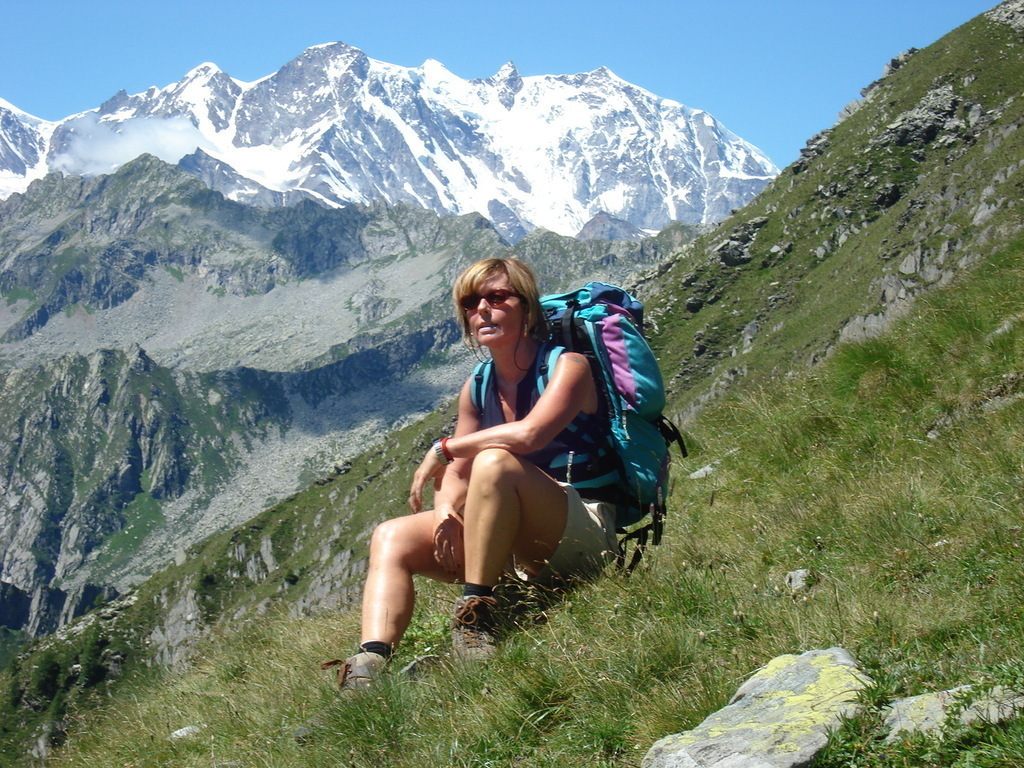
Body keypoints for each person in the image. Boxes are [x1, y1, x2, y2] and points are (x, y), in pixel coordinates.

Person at [334, 257, 620, 691]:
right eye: (470, 302)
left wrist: (442, 448)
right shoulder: (479, 384)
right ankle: (369, 664)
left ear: (527, 307)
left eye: (497, 297)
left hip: (583, 535)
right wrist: (446, 508)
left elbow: (527, 436)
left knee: (495, 460)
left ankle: (477, 616)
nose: (482, 309)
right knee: (389, 535)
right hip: (519, 539)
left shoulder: (568, 367)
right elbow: (459, 473)